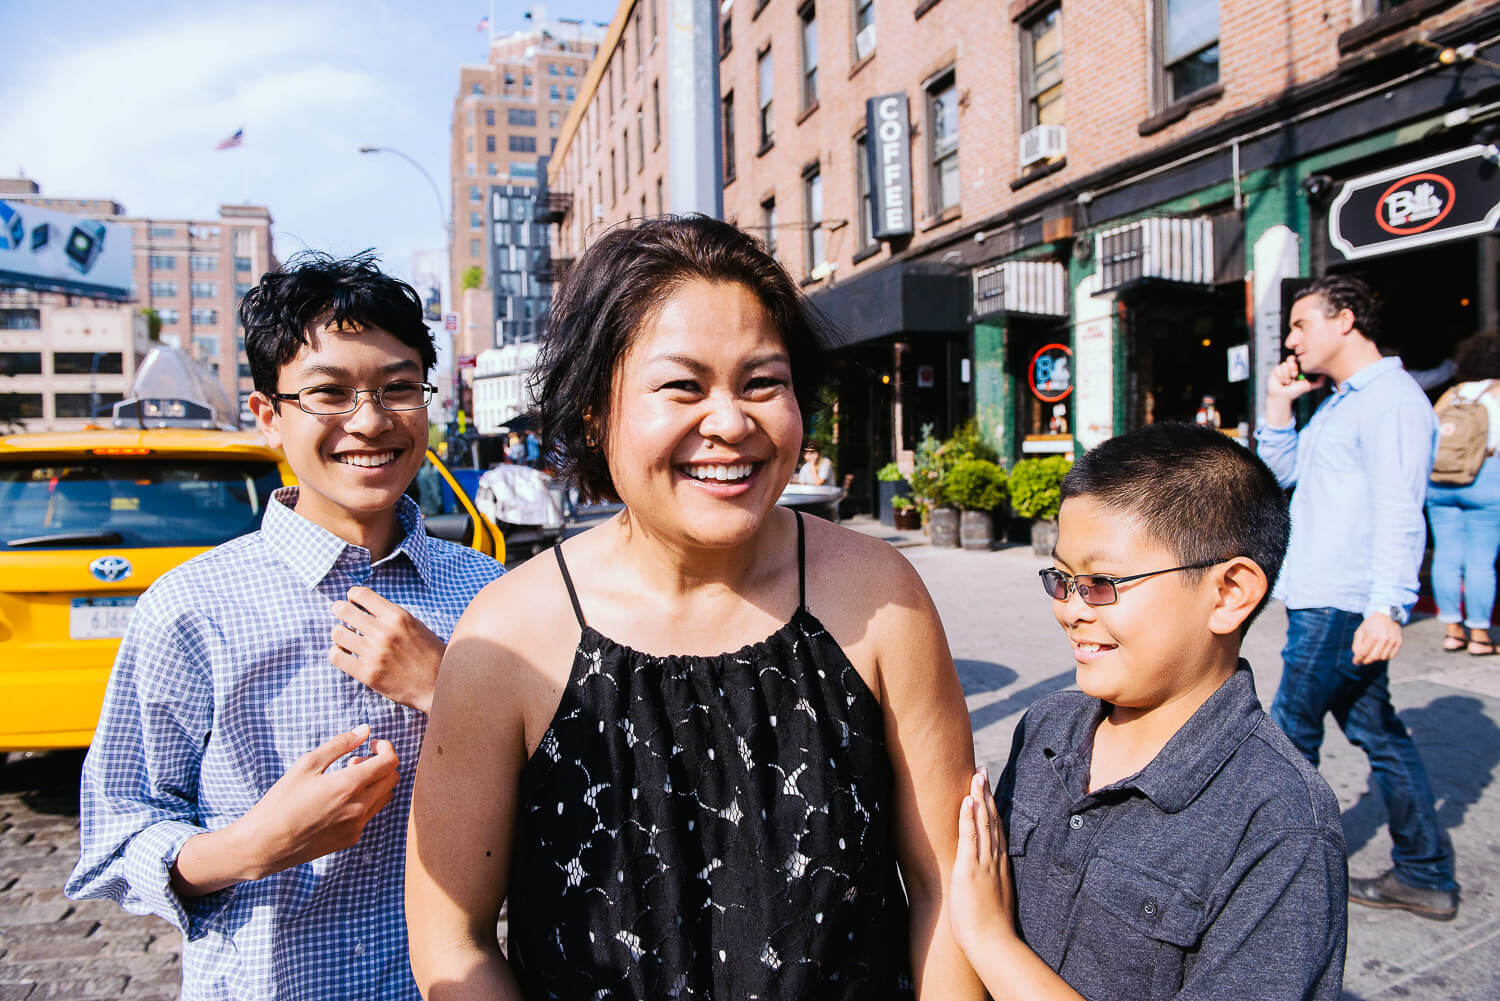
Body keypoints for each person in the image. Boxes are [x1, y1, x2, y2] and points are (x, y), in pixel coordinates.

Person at [405, 216, 983, 1001]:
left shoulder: (882, 595)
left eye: (762, 382)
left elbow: (950, 887)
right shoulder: (505, 636)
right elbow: (452, 935)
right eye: (683, 385)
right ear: (592, 412)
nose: (730, 422)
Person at [65, 252, 503, 1000]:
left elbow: (570, 794)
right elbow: (116, 835)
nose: (370, 420)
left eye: (399, 388)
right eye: (328, 393)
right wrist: (253, 845)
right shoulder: (191, 608)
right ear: (269, 417)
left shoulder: (490, 594)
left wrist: (448, 691)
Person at [948, 422, 1347, 1001]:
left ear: (1230, 591)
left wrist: (988, 937)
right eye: (1060, 579)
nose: (1071, 610)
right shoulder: (1047, 728)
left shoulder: (1282, 825)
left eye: (1102, 582)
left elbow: (984, 927)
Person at [1256, 274, 1459, 920]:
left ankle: (1283, 886)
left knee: (1287, 739)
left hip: (1342, 602)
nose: (1290, 340)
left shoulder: (1391, 400)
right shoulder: (1342, 401)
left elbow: (1403, 510)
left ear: (1344, 320)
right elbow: (1281, 477)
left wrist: (1388, 606)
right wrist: (1279, 405)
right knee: (1380, 733)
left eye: (1299, 324)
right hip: (1323, 594)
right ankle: (1424, 872)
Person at [1426, 331, 1500, 655]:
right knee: (1480, 560)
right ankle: (1480, 636)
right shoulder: (1497, 393)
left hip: (1440, 483)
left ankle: (1453, 632)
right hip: (1485, 480)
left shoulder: (1452, 394)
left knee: (1447, 555)